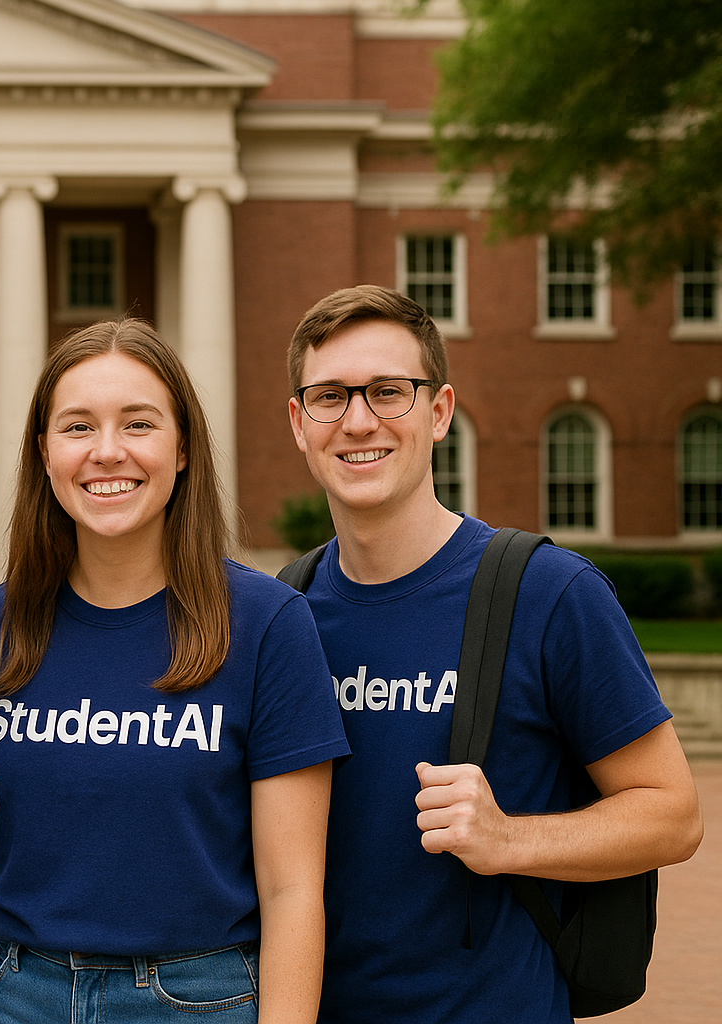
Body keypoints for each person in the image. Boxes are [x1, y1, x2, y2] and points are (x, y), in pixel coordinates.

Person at [283, 285, 704, 1023]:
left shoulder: (549, 594)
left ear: (439, 411)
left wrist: (509, 836)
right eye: (329, 396)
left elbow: (673, 816)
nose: (358, 421)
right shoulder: (286, 609)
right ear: (298, 422)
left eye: (389, 392)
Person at [0, 318, 349, 1024]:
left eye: (139, 424)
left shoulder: (269, 626)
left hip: (198, 999)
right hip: (13, 994)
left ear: (182, 449)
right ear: (44, 452)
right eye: (78, 427)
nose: (107, 452)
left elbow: (293, 891)